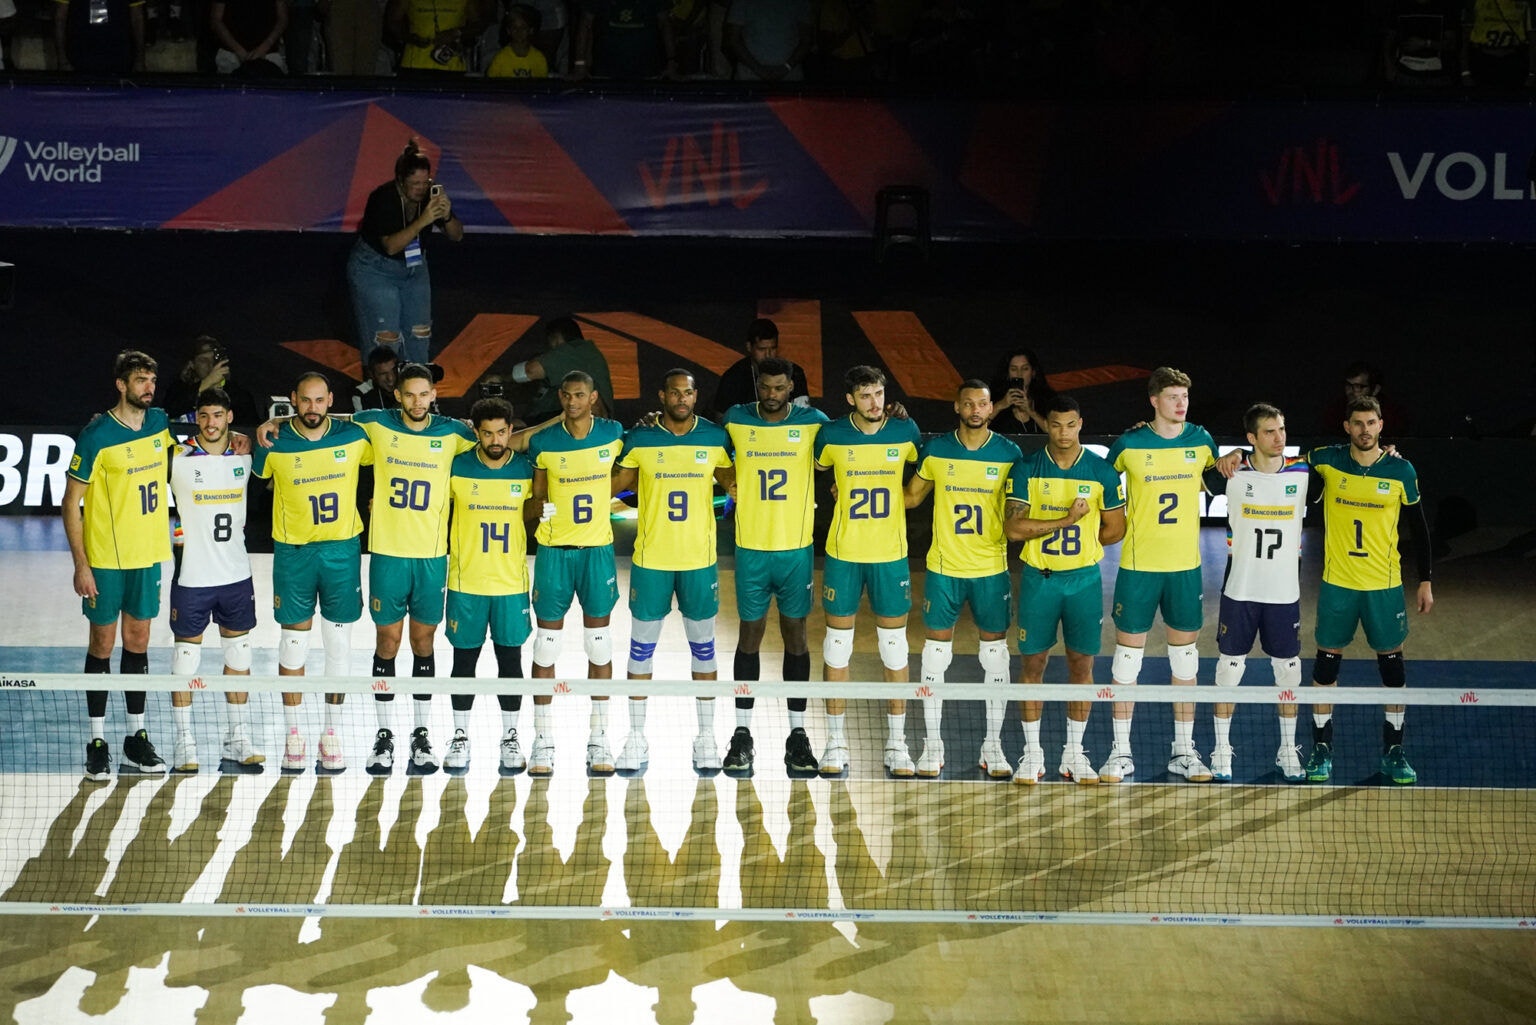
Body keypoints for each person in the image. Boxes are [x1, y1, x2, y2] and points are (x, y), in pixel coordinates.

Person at [351, 362, 478, 776]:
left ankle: (421, 732)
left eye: (424, 394)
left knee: (424, 643)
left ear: (434, 395)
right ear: (398, 395)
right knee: (387, 643)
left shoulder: (454, 433)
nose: (417, 402)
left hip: (431, 556)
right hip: (388, 553)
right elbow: (328, 423)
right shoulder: (377, 424)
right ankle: (384, 734)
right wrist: (269, 428)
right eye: (409, 394)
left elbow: (500, 438)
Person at [1302, 396, 1434, 785]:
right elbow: (1277, 458)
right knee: (1326, 665)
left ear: (1381, 425)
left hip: (1384, 586)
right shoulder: (1326, 460)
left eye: (1371, 423)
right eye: (1357, 423)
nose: (1364, 430)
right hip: (1338, 584)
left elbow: (1420, 528)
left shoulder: (1401, 469)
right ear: (1347, 427)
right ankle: (1321, 748)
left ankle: (1394, 750)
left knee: (1392, 667)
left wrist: (1425, 579)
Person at [609, 370, 735, 774]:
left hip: (699, 562)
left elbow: (734, 481)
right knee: (640, 650)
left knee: (704, 649)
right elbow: (615, 485)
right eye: (674, 392)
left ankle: (706, 738)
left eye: (688, 393)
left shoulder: (715, 437)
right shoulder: (641, 438)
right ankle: (636, 737)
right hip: (651, 563)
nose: (682, 398)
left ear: (696, 396)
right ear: (662, 395)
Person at [250, 372, 374, 774]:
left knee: (338, 648)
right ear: (293, 400)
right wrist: (270, 426)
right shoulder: (272, 443)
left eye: (320, 401)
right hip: (294, 555)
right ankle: (293, 735)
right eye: (305, 401)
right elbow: (252, 473)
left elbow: (387, 426)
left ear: (330, 401)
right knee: (293, 648)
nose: (313, 408)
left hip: (342, 552)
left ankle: (331, 733)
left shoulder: (354, 438)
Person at [1101, 366, 1219, 783]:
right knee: (1126, 661)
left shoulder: (1202, 441)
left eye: (1185, 396)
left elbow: (1221, 475)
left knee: (1185, 662)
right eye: (1172, 396)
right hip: (1138, 569)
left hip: (1185, 569)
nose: (1181, 403)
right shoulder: (1129, 445)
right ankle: (1120, 752)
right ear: (1153, 401)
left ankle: (1184, 752)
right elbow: (1096, 478)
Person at [902, 380, 1022, 778]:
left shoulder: (1009, 453)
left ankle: (994, 747)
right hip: (944, 569)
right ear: (957, 407)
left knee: (995, 656)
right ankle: (931, 748)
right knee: (935, 657)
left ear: (991, 409)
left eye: (983, 403)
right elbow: (912, 497)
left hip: (990, 569)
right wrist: (857, 485)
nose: (976, 409)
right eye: (968, 402)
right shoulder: (937, 450)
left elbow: (1021, 508)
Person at [1004, 394, 1125, 785]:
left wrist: (1085, 542)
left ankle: (1074, 752)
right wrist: (1065, 521)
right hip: (1040, 580)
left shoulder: (1101, 472)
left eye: (1070, 425)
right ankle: (1032, 754)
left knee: (1082, 666)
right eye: (1056, 425)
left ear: (1080, 424)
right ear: (1047, 426)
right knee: (1032, 666)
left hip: (1084, 581)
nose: (1063, 433)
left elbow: (1116, 528)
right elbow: (1013, 529)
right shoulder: (1026, 468)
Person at [64, 351, 173, 782]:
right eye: (140, 380)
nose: (148, 386)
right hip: (106, 561)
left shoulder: (160, 422)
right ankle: (97, 741)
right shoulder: (95, 436)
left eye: (152, 379)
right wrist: (81, 565)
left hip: (148, 556)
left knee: (139, 640)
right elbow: (71, 502)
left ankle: (135, 737)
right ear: (121, 385)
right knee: (103, 645)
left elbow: (198, 441)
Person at [719, 355, 829, 776]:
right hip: (750, 549)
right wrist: (727, 480)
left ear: (791, 388)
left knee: (796, 638)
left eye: (780, 388)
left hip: (795, 550)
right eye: (765, 387)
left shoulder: (812, 421)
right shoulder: (736, 420)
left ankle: (798, 734)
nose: (771, 395)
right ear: (757, 386)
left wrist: (892, 413)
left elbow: (855, 435)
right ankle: (743, 733)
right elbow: (706, 445)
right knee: (749, 637)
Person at [812, 364, 922, 777]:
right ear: (850, 400)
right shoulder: (833, 435)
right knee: (836, 647)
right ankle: (835, 742)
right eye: (865, 396)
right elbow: (822, 470)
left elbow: (924, 476)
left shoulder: (905, 432)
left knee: (894, 648)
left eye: (879, 394)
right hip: (843, 554)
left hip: (890, 554)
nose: (875, 403)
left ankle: (897, 744)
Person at [525, 370, 626, 776]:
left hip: (597, 553)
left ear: (593, 397)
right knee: (546, 646)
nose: (571, 402)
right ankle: (542, 740)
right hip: (554, 553)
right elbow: (535, 499)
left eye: (579, 395)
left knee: (599, 644)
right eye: (565, 395)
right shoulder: (544, 443)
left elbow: (631, 470)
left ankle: (599, 738)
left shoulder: (613, 433)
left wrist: (607, 495)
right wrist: (540, 510)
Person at [1204, 403, 1311, 782]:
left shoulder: (1304, 471)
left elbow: (1353, 461)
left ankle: (1287, 751)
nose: (1279, 437)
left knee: (1288, 673)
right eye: (1269, 431)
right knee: (1229, 671)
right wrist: (1226, 458)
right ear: (1251, 438)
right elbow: (1184, 477)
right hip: (1241, 590)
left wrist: (1389, 451)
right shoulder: (1232, 472)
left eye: (1282, 429)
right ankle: (1221, 751)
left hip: (1284, 593)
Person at [166, 387, 266, 773]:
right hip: (193, 577)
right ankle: (183, 742)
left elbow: (277, 432)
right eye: (204, 415)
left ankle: (237, 737)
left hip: (235, 576)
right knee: (184, 660)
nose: (211, 423)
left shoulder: (244, 453)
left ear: (229, 417)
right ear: (196, 417)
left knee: (239, 657)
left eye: (218, 416)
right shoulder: (176, 457)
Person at [444, 396, 541, 775]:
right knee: (463, 662)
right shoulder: (456, 467)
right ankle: (459, 736)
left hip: (510, 584)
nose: (496, 440)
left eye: (502, 432)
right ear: (476, 432)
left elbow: (538, 508)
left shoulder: (526, 471)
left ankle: (511, 736)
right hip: (466, 582)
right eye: (487, 433)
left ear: (511, 431)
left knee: (510, 662)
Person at [347, 140, 464, 366]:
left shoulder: (430, 195)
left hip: (414, 267)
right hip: (375, 269)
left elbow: (457, 236)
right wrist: (425, 219)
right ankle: (381, 397)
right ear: (400, 181)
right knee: (386, 338)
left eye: (425, 182)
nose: (421, 188)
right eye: (414, 183)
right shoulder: (382, 198)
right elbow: (391, 246)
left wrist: (447, 216)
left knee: (419, 334)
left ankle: (418, 390)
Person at [514, 316, 614, 422]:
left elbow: (529, 371)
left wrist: (502, 378)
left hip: (570, 424)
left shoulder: (574, 350)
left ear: (556, 338)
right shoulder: (585, 355)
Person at [710, 318, 810, 419]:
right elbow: (722, 419)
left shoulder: (794, 373)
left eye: (773, 348)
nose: (768, 355)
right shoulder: (733, 377)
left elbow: (804, 415)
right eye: (762, 349)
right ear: (749, 347)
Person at [162, 335, 264, 427]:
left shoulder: (238, 394)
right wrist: (206, 383)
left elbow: (251, 428)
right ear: (192, 364)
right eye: (203, 360)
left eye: (214, 360)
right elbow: (167, 414)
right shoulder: (179, 389)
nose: (211, 365)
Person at [572, 0, 676, 78]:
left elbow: (665, 24)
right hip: (605, 67)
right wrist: (580, 63)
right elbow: (585, 24)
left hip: (647, 67)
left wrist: (672, 61)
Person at [386, 0, 487, 74]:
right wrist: (410, 38)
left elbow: (479, 24)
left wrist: (455, 33)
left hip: (451, 64)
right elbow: (393, 21)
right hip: (414, 64)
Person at [724, 0, 812, 80]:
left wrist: (787, 67)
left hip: (790, 78)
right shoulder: (743, 2)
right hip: (749, 77)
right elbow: (733, 39)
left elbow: (807, 40)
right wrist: (758, 69)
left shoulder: (800, 2)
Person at [53, 0, 145, 73]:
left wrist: (139, 60)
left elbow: (137, 17)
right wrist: (62, 60)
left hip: (120, 55)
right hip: (80, 56)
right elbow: (60, 17)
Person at [987, 349, 1056, 435]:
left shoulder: (1048, 399)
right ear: (1007, 374)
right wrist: (1000, 405)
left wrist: (1031, 412)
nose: (1019, 374)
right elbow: (975, 428)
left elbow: (1056, 432)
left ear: (1033, 372)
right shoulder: (994, 397)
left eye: (1025, 369)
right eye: (1013, 369)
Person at [210, 0, 288, 74]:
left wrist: (263, 48)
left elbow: (282, 18)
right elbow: (216, 19)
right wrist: (238, 50)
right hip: (231, 56)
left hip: (268, 55)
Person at [487, 3, 549, 76]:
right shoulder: (501, 58)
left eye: (523, 27)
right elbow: (490, 83)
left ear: (531, 30)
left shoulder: (539, 59)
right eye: (514, 28)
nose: (519, 31)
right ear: (509, 31)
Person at [351, 346, 401, 413]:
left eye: (394, 371)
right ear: (371, 375)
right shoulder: (361, 394)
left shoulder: (408, 386)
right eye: (383, 374)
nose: (390, 378)